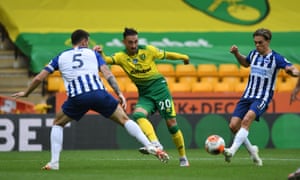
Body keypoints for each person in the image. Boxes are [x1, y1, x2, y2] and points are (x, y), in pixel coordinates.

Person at [11, 29, 169, 170]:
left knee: (57, 123)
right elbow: (107, 73)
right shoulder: (93, 54)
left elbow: (40, 77)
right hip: (99, 94)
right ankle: (150, 145)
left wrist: (26, 92)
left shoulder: (61, 56)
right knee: (124, 119)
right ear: (85, 41)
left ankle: (54, 162)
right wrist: (119, 92)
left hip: (78, 97)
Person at [94, 27, 190, 167]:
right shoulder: (121, 57)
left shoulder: (148, 50)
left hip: (160, 89)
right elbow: (106, 61)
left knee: (172, 125)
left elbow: (166, 55)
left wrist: (184, 57)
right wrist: (101, 53)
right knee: (138, 115)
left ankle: (183, 158)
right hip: (145, 93)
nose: (133, 45)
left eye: (135, 42)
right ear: (124, 42)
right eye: (130, 42)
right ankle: (155, 143)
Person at [223, 28, 299, 166]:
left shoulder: (276, 58)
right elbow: (245, 63)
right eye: (255, 43)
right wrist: (236, 54)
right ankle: (253, 152)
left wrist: (292, 72)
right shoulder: (253, 54)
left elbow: (293, 69)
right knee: (233, 126)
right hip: (247, 95)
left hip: (262, 97)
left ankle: (231, 151)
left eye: (260, 43)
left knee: (246, 120)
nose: (257, 45)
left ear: (268, 41)